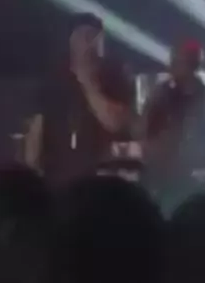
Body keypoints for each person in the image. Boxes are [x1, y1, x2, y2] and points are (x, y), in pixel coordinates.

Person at [24, 13, 135, 186]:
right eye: (83, 37)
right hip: (59, 181)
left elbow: (115, 123)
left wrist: (87, 81)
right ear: (71, 41)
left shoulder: (115, 75)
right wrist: (32, 174)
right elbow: (37, 130)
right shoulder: (55, 78)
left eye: (94, 37)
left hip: (102, 181)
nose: (88, 44)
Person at [142, 39, 205, 208]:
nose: (171, 67)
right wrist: (152, 102)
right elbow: (143, 131)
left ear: (194, 65)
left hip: (194, 178)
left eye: (177, 62)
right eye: (172, 61)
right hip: (162, 176)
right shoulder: (162, 94)